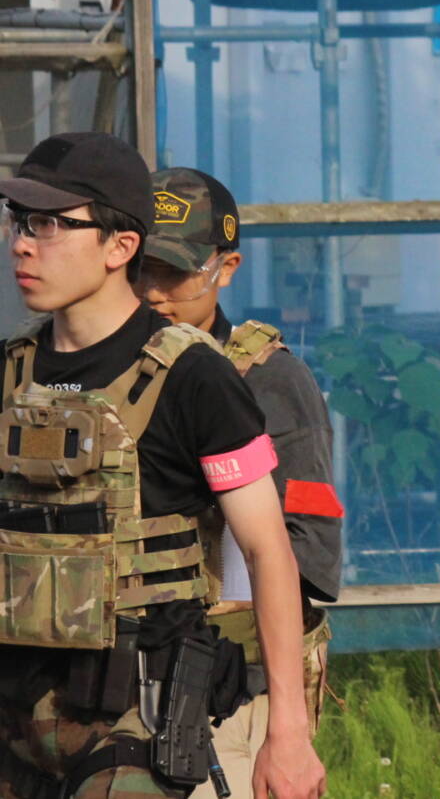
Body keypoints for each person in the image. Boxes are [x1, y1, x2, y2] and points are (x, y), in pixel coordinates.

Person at [0, 132, 324, 799]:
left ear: (120, 246)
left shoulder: (196, 377)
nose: (24, 243)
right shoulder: (10, 371)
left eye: (51, 224)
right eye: (19, 220)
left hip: (132, 721)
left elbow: (269, 550)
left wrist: (288, 731)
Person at [137, 166, 343, 799]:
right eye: (140, 269)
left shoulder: (268, 380)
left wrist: (287, 727)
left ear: (225, 268)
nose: (153, 292)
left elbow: (305, 547)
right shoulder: (100, 372)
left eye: (174, 272)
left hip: (227, 688)